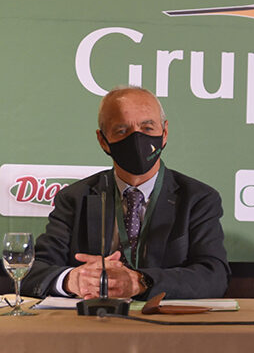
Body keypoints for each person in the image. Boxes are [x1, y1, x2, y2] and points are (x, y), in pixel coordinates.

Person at [22, 86, 230, 300]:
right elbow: (30, 271)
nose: (137, 139)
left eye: (147, 128)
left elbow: (214, 276)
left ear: (164, 133)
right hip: (94, 318)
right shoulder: (74, 198)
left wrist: (140, 281)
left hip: (163, 319)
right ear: (103, 140)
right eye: (122, 131)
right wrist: (71, 280)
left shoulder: (198, 198)